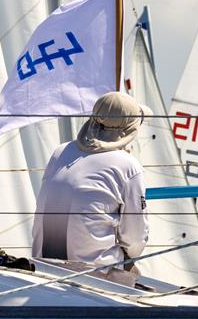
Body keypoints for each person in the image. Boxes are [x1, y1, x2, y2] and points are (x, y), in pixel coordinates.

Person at [32, 92, 151, 281]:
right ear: (129, 130)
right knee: (132, 264)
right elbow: (135, 239)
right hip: (91, 275)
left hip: (42, 265)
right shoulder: (128, 165)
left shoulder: (60, 152)